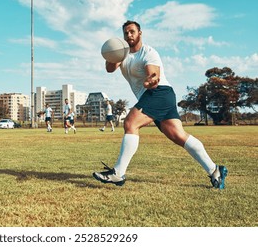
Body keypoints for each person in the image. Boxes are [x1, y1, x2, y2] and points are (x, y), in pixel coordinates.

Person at [93, 21, 227, 189]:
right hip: (159, 96)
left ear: (140, 33)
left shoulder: (148, 52)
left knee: (130, 123)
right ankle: (215, 170)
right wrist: (111, 52)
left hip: (159, 92)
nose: (129, 35)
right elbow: (110, 68)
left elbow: (154, 74)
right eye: (126, 33)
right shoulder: (123, 53)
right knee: (178, 135)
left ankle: (118, 173)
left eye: (132, 31)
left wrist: (151, 81)